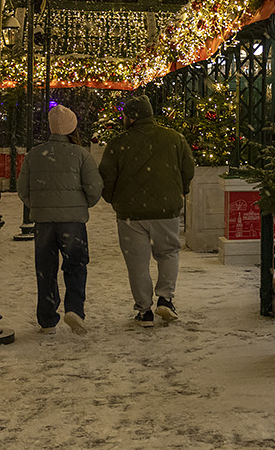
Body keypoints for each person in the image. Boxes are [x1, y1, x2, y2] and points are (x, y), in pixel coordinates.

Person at [100, 93, 194, 326]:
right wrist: (180, 190)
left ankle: (144, 310)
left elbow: (106, 177)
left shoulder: (118, 144)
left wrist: (114, 199)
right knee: (169, 252)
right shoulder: (175, 138)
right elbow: (188, 168)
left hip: (131, 214)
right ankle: (165, 298)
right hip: (166, 209)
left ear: (130, 118)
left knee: (137, 262)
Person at [18, 104, 103, 335]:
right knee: (75, 265)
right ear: (73, 128)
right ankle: (74, 309)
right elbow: (94, 189)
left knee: (45, 269)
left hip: (43, 222)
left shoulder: (35, 154)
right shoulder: (81, 155)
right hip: (73, 222)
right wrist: (81, 204)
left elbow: (23, 189)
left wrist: (39, 206)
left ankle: (47, 319)